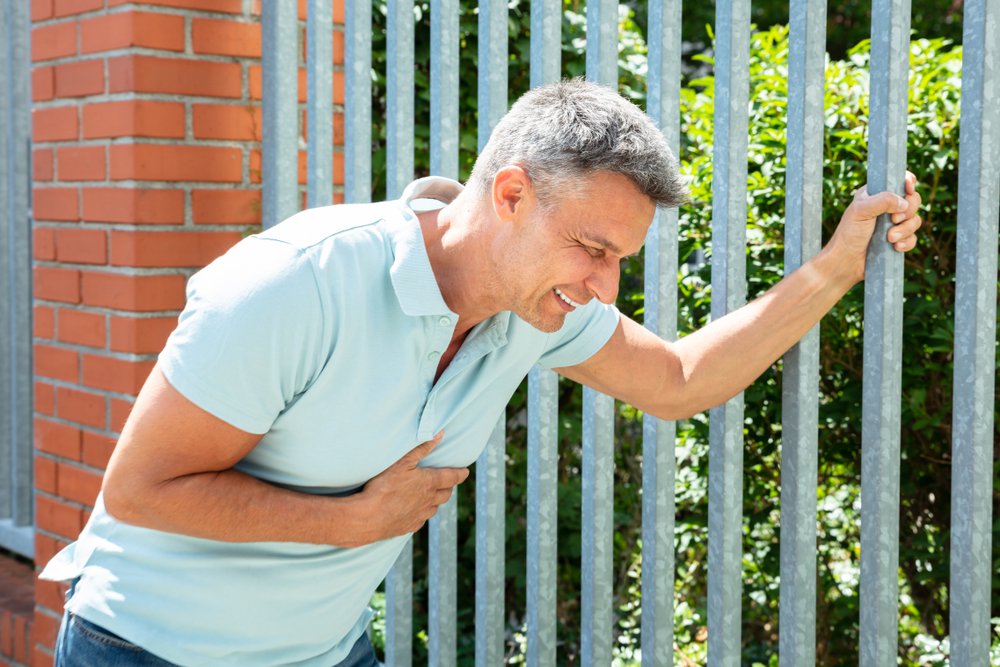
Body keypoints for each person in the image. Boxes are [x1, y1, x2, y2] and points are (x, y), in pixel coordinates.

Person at [41, 79, 922, 666]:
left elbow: (681, 378)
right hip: (146, 648)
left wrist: (836, 270)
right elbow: (141, 489)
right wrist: (348, 523)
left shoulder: (534, 312)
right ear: (509, 195)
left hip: (326, 651)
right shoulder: (294, 284)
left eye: (620, 261)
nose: (602, 287)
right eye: (592, 249)